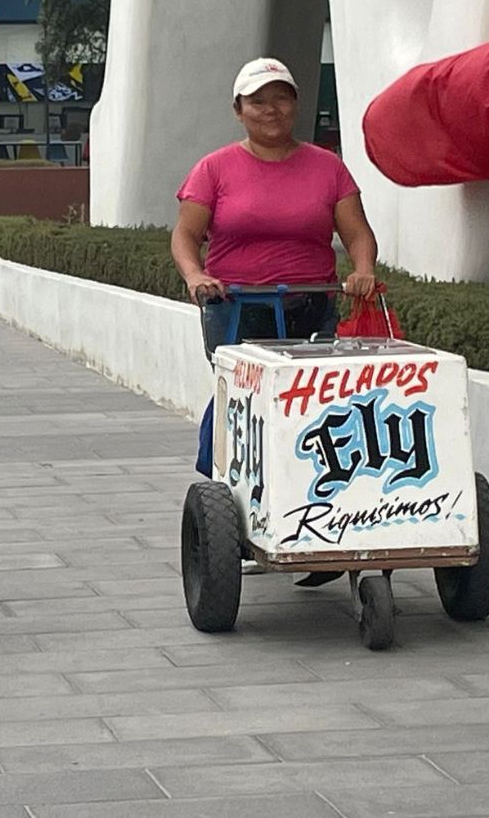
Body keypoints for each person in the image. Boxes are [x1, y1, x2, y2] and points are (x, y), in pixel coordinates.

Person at [172, 57, 381, 585]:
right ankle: (227, 508)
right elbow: (185, 236)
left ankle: (317, 517)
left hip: (311, 302)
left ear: (296, 104)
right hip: (237, 305)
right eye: (258, 101)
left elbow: (357, 232)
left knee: (316, 408)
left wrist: (362, 269)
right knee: (243, 405)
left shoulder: (327, 167)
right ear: (238, 110)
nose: (271, 110)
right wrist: (196, 276)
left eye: (281, 98)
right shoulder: (214, 169)